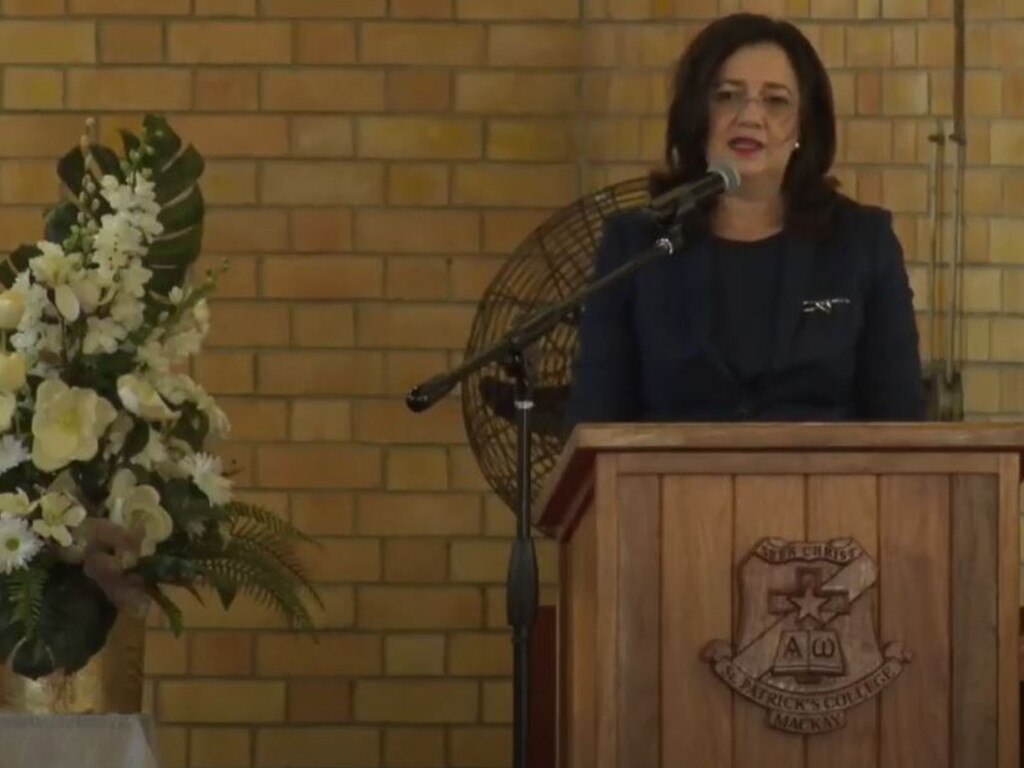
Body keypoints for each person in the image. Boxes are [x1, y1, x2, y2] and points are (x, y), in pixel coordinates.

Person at [565, 12, 926, 427]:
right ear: (698, 117)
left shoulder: (863, 242)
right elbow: (594, 425)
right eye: (727, 96)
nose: (750, 116)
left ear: (802, 128)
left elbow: (901, 425)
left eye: (775, 100)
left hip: (831, 488)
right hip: (673, 489)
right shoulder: (637, 244)